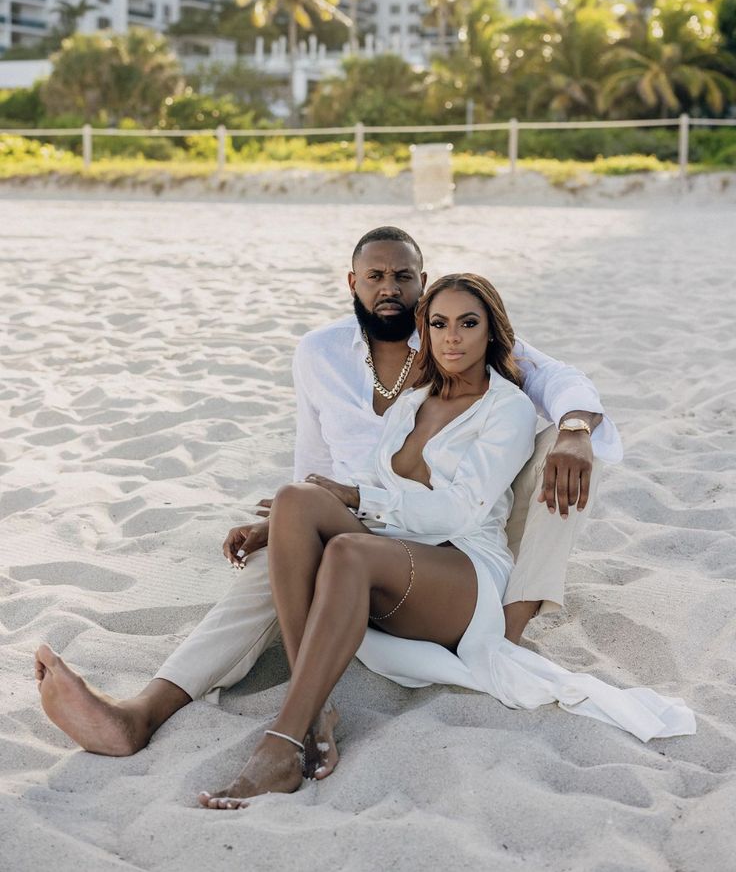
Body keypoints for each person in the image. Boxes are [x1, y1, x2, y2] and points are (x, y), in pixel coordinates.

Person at [34, 226, 620, 772]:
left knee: (551, 447)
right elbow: (313, 466)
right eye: (375, 278)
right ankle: (144, 712)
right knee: (272, 557)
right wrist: (286, 526)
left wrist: (573, 428)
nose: (388, 289)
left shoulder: (453, 331)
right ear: (353, 284)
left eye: (403, 278)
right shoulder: (320, 352)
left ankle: (305, 704)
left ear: (422, 283)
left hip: (434, 537)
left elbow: (561, 380)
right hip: (359, 515)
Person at [196, 272, 694, 808]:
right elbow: (375, 487)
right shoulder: (412, 402)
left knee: (347, 549)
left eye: (467, 323)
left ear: (492, 334)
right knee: (294, 497)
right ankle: (316, 710)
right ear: (425, 333)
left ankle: (282, 741)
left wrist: (358, 499)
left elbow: (458, 514)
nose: (452, 336)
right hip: (395, 553)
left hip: (463, 574)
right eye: (439, 324)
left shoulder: (507, 408)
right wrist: (283, 525)